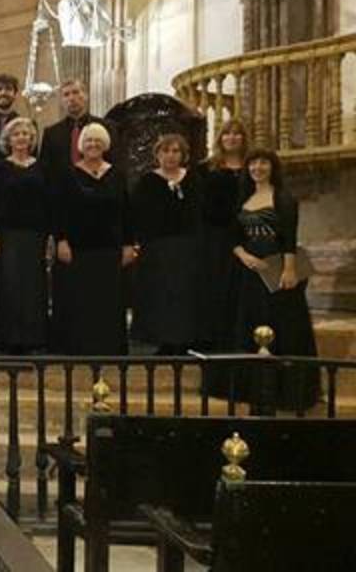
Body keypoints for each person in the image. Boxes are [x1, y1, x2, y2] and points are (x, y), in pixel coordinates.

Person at [231, 148, 318, 411]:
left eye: (263, 163)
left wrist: (289, 270)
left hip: (277, 270)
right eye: (253, 163)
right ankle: (255, 389)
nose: (258, 168)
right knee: (252, 324)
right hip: (250, 272)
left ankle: (287, 391)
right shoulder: (243, 198)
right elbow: (233, 236)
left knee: (284, 327)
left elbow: (289, 238)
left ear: (272, 167)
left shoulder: (283, 198)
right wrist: (243, 254)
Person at [51, 122, 135, 355]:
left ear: (105, 145)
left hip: (109, 247)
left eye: (97, 140)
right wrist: (61, 240)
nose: (93, 145)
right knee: (79, 300)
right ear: (81, 145)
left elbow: (126, 211)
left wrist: (129, 244)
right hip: (77, 248)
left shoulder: (117, 175)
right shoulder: (69, 174)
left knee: (108, 301)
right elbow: (60, 211)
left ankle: (108, 347)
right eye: (88, 140)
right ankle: (78, 347)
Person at [131, 133, 205, 354]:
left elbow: (200, 213)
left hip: (187, 247)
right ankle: (163, 340)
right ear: (157, 155)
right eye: (166, 151)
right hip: (157, 248)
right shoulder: (147, 181)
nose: (170, 156)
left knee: (185, 295)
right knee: (161, 295)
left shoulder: (193, 179)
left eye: (175, 151)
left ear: (183, 155)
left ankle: (185, 339)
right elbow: (137, 215)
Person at [0, 118, 51, 352]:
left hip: (35, 235)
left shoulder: (42, 167)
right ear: (8, 139)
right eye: (16, 134)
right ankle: (8, 338)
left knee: (34, 286)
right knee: (9, 285)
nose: (22, 138)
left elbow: (48, 204)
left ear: (32, 139)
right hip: (7, 235)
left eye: (26, 134)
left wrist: (50, 237)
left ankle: (33, 338)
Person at [201, 119, 249, 354]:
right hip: (216, 237)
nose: (232, 138)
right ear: (220, 138)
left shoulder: (253, 166)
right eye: (227, 134)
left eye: (237, 134)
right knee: (218, 287)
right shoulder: (207, 167)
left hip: (247, 235)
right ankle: (215, 339)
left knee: (242, 289)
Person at [40, 79, 115, 188]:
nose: (71, 98)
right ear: (62, 101)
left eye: (75, 92)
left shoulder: (106, 127)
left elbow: (114, 160)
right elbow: (45, 170)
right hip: (62, 193)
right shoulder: (51, 133)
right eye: (66, 95)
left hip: (99, 189)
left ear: (85, 96)